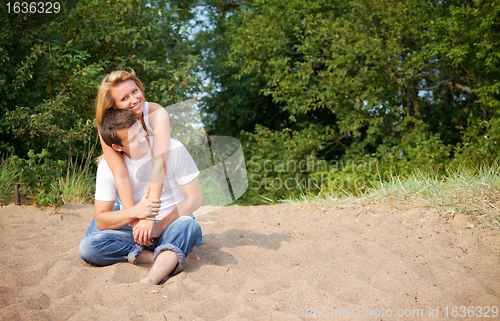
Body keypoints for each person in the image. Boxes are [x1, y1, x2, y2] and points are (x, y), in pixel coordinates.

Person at [79, 108, 203, 285]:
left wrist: (158, 227)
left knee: (188, 224)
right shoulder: (108, 167)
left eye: (140, 130)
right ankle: (160, 257)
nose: (143, 138)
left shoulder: (173, 148)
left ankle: (150, 279)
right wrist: (137, 211)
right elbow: (101, 220)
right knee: (88, 247)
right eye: (133, 138)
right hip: (133, 232)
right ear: (117, 147)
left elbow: (194, 199)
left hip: (169, 224)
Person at [95, 69, 170, 246]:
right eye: (124, 98)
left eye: (135, 91)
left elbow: (159, 165)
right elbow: (121, 175)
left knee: (183, 227)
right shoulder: (107, 129)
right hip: (129, 207)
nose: (134, 100)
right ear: (114, 106)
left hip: (161, 203)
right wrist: (136, 222)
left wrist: (149, 216)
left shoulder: (157, 114)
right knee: (91, 245)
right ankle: (145, 253)